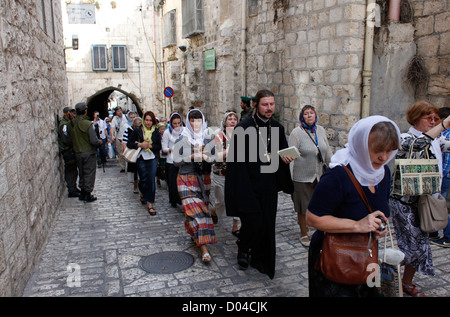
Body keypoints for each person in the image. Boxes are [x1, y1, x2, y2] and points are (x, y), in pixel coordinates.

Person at [306, 115, 399, 297]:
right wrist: (357, 225)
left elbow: (375, 211)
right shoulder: (338, 175)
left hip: (368, 254)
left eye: (390, 151)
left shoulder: (383, 173)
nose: (384, 157)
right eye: (378, 150)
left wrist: (377, 228)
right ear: (361, 145)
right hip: (335, 255)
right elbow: (312, 217)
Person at [225, 89, 294, 279]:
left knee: (266, 224)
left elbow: (281, 154)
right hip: (248, 185)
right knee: (253, 222)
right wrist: (241, 190)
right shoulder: (243, 127)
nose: (269, 108)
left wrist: (286, 158)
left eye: (272, 104)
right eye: (265, 104)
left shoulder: (278, 128)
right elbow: (237, 163)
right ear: (256, 105)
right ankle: (243, 248)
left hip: (269, 186)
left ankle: (261, 256)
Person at [389, 100, 450, 296]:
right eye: (428, 118)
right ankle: (389, 278)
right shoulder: (405, 138)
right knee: (413, 248)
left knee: (421, 247)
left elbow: (443, 144)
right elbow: (418, 144)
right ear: (416, 119)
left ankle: (405, 282)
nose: (433, 121)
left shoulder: (436, 142)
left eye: (436, 118)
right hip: (403, 203)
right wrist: (444, 124)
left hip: (423, 203)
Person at [173, 109, 216, 263]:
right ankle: (204, 249)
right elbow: (176, 161)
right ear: (188, 122)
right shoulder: (182, 139)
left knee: (198, 212)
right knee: (196, 213)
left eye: (198, 119)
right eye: (192, 120)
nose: (195, 123)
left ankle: (194, 232)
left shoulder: (207, 138)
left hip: (203, 179)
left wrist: (206, 157)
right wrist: (191, 156)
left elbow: (214, 158)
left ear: (202, 121)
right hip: (185, 178)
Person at [289, 105, 333, 247]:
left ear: (315, 115)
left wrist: (334, 167)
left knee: (318, 205)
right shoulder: (296, 133)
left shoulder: (320, 130)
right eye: (306, 114)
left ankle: (317, 228)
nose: (309, 116)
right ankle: (303, 232)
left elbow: (327, 151)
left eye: (311, 113)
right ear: (302, 117)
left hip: (318, 175)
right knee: (303, 206)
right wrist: (289, 178)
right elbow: (291, 156)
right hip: (301, 177)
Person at [127, 111, 161, 215]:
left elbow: (159, 146)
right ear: (143, 120)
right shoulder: (137, 130)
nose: (148, 122)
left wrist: (150, 146)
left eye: (150, 120)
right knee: (143, 179)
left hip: (152, 158)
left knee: (151, 180)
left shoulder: (155, 131)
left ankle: (150, 204)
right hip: (141, 158)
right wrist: (140, 144)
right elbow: (129, 143)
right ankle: (143, 193)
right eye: (146, 120)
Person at [211, 111, 240, 236]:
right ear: (225, 121)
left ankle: (235, 226)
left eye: (235, 119)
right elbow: (214, 156)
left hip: (237, 174)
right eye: (230, 119)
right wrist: (227, 152)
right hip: (220, 173)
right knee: (221, 201)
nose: (233, 121)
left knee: (238, 200)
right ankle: (213, 211)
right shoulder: (218, 136)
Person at [69, 102, 102, 202]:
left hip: (77, 152)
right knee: (89, 172)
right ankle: (87, 193)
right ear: (85, 111)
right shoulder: (88, 124)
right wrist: (99, 142)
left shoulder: (72, 123)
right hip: (88, 152)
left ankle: (82, 191)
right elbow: (93, 140)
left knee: (82, 172)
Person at [431, 107, 450, 247]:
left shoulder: (446, 134)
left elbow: (446, 159)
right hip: (445, 175)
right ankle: (433, 232)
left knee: (439, 205)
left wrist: (441, 175)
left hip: (445, 175)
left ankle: (446, 236)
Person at [162, 113, 184, 208]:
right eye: (175, 123)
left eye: (179, 123)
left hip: (183, 160)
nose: (177, 125)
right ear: (171, 123)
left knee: (182, 182)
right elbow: (164, 148)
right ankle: (174, 200)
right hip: (171, 161)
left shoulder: (184, 131)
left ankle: (182, 199)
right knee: (173, 182)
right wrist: (171, 149)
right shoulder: (167, 132)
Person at [58, 107, 80, 197]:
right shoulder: (64, 124)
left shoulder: (68, 123)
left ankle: (73, 188)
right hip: (68, 151)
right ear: (66, 113)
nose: (72, 114)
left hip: (70, 150)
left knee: (73, 170)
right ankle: (71, 189)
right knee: (70, 170)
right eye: (70, 112)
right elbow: (65, 138)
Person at [123, 115, 142, 194]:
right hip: (133, 152)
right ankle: (135, 185)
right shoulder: (129, 130)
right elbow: (125, 142)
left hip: (142, 152)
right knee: (134, 170)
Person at [110, 107, 128, 172]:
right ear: (116, 112)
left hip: (126, 138)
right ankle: (123, 166)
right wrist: (112, 136)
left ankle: (127, 166)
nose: (119, 112)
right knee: (120, 153)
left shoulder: (126, 117)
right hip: (119, 137)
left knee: (126, 152)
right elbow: (112, 128)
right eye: (118, 111)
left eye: (120, 110)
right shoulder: (114, 119)